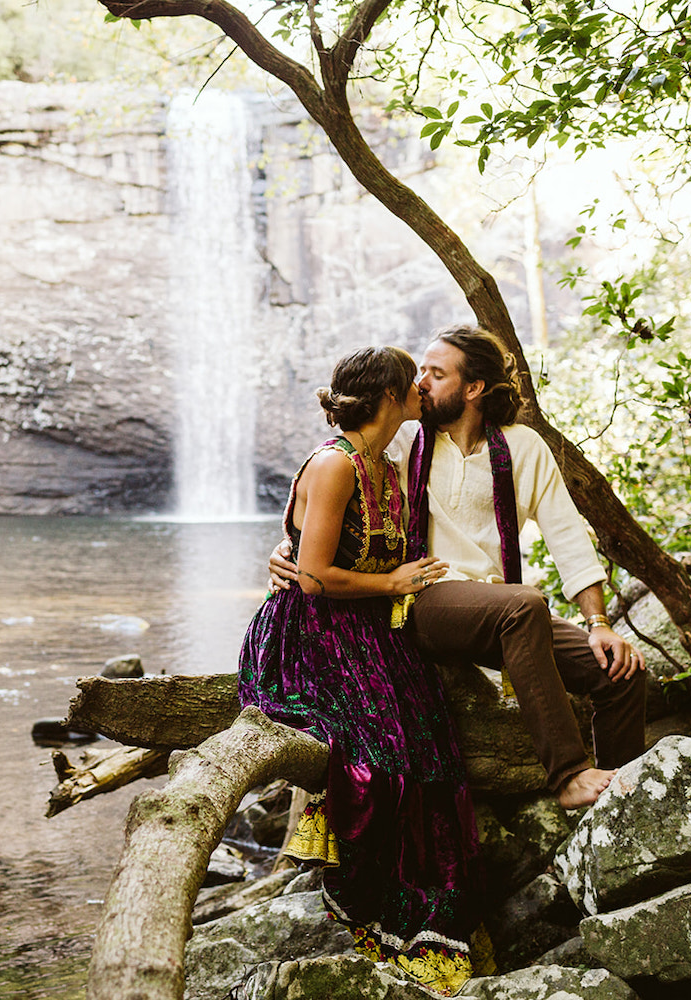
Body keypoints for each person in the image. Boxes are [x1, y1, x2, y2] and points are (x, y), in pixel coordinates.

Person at [269, 325, 647, 810]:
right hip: (424, 601)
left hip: (502, 610)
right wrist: (286, 550)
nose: (421, 383)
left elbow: (568, 538)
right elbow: (334, 502)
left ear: (473, 389)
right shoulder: (404, 444)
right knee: (525, 604)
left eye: (435, 373)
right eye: (419, 372)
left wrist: (598, 624)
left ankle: (621, 805)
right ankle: (570, 775)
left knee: (620, 673)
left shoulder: (524, 447)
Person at [238, 345, 489, 997]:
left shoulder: (392, 463)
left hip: (374, 628)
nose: (421, 393)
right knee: (380, 759)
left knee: (432, 752)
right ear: (387, 397)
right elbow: (314, 579)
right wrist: (392, 582)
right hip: (309, 637)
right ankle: (364, 915)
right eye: (413, 384)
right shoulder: (334, 465)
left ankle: (423, 926)